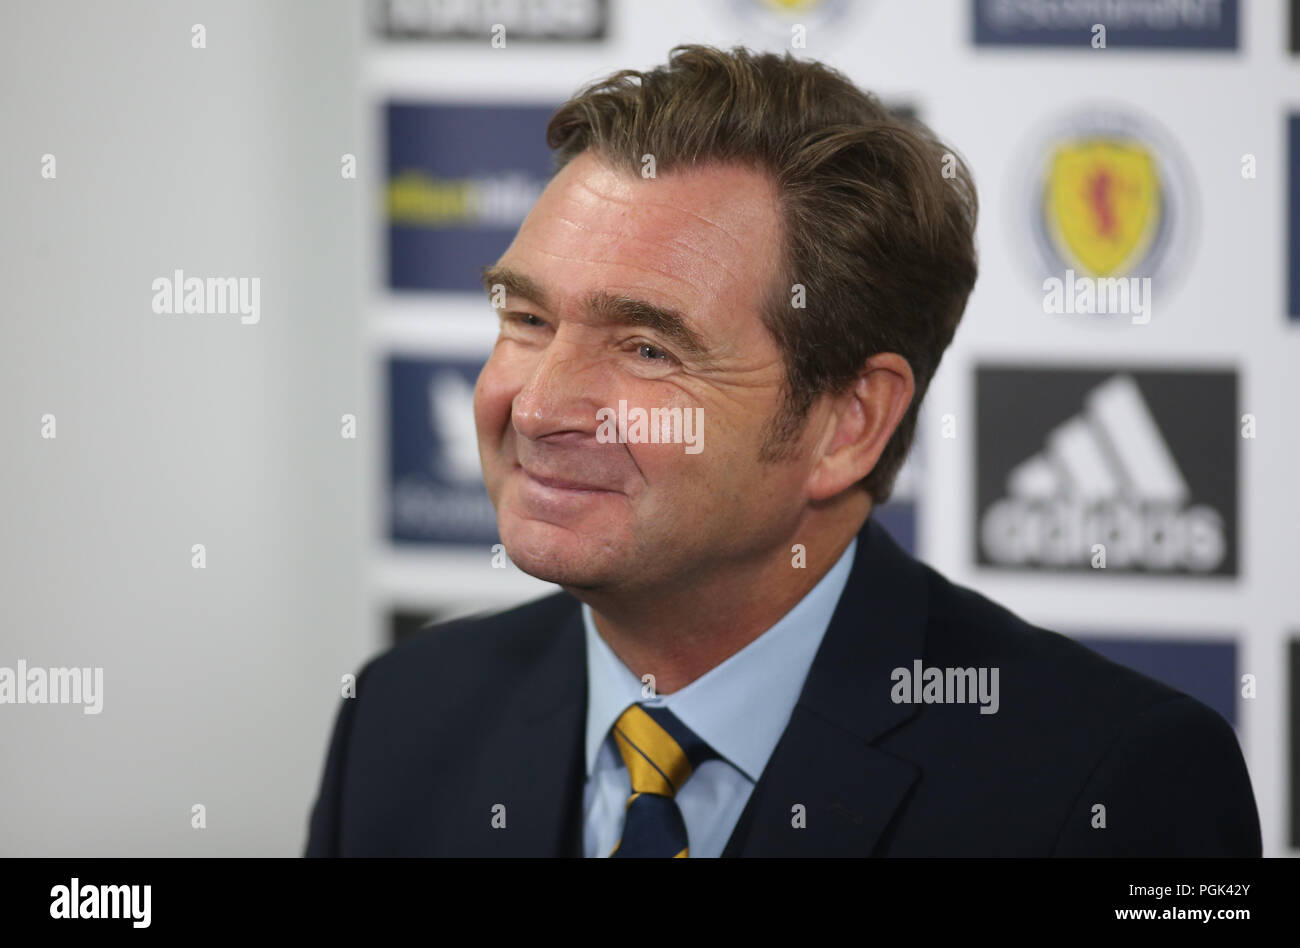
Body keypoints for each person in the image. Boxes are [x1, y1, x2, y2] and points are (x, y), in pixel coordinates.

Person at [306, 45, 1260, 857]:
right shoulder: (404, 716)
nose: (541, 403)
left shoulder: (1114, 785)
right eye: (526, 317)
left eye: (647, 348)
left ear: (848, 423)